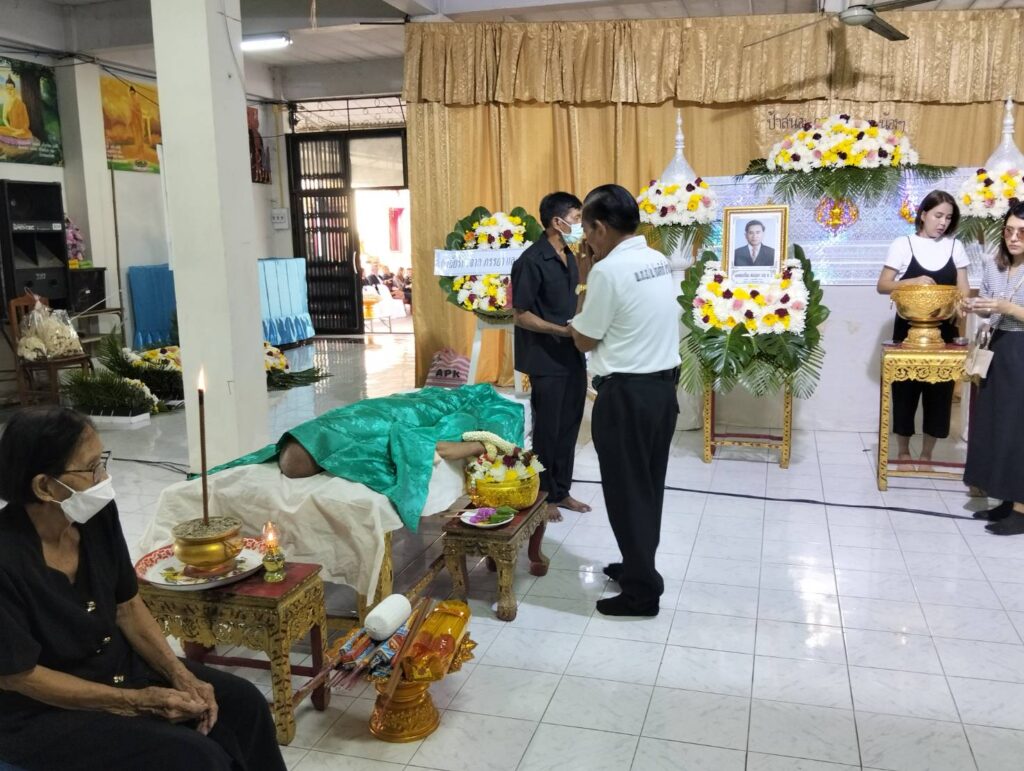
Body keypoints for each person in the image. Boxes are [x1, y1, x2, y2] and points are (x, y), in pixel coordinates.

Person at [0, 407, 285, 771]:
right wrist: (136, 701)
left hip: (120, 668)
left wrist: (180, 674)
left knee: (245, 703)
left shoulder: (95, 518)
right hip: (45, 711)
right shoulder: (7, 559)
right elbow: (19, 675)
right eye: (91, 469)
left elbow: (128, 607)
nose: (104, 478)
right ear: (44, 486)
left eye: (102, 462)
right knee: (196, 757)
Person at [570, 184, 681, 617]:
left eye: (586, 229)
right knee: (647, 488)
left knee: (626, 493)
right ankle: (638, 566)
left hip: (627, 397)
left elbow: (585, 338)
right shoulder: (657, 260)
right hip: (661, 392)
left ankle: (641, 594)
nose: (586, 240)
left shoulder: (607, 271)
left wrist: (583, 283)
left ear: (600, 227)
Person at [511, 191, 591, 522]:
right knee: (547, 429)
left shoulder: (570, 256)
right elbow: (521, 315)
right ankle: (543, 497)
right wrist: (560, 331)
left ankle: (562, 491)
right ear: (557, 222)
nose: (581, 225)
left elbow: (575, 300)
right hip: (545, 358)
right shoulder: (530, 261)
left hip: (572, 354)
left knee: (570, 426)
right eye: (577, 219)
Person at [876, 190, 970, 469]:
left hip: (945, 330)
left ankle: (927, 454)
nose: (943, 222)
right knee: (905, 390)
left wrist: (961, 305)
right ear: (923, 214)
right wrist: (912, 281)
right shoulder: (903, 244)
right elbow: (883, 285)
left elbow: (963, 288)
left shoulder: (955, 246)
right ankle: (903, 451)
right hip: (908, 329)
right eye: (938, 215)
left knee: (939, 393)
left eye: (948, 218)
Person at [963, 200, 1024, 534]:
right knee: (996, 425)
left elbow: (1006, 308)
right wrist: (974, 305)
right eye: (1009, 231)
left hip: (1021, 349)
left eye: (1022, 233)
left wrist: (1008, 308)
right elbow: (989, 308)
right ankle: (1004, 500)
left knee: (1018, 429)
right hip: (997, 347)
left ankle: (1021, 510)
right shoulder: (994, 265)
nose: (1013, 238)